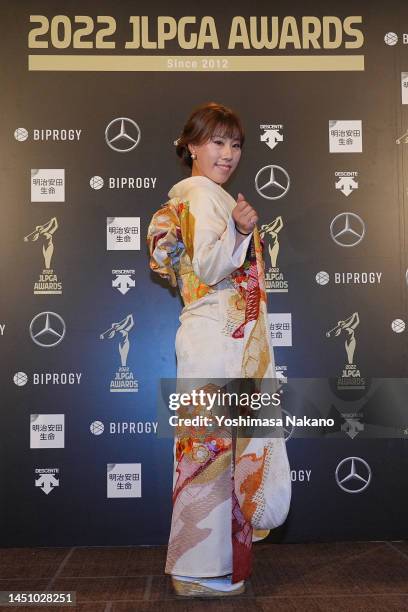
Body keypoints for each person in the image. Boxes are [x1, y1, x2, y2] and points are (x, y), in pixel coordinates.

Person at [147, 102, 290, 598]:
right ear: (190, 146)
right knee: (209, 455)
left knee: (206, 453)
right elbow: (209, 267)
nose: (227, 154)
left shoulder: (190, 199)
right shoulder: (203, 195)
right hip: (218, 344)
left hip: (215, 340)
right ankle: (196, 572)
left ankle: (201, 567)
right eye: (216, 142)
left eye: (235, 145)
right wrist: (242, 231)